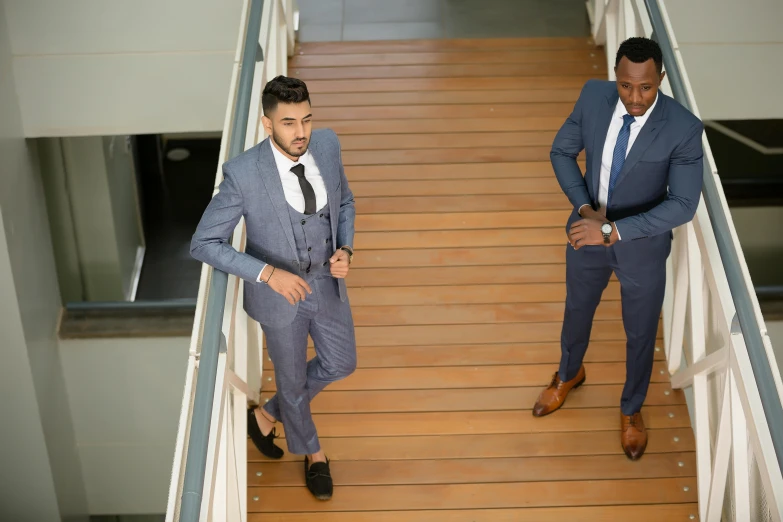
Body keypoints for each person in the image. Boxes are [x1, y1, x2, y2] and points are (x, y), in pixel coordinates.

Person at [532, 37, 704, 460]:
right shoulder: (594, 96)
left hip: (641, 248)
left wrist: (609, 231)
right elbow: (561, 151)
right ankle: (568, 375)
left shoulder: (683, 128)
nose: (635, 98)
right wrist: (585, 209)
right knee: (576, 311)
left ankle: (631, 410)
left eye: (645, 87)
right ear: (616, 77)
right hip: (585, 233)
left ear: (660, 79)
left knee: (641, 333)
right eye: (626, 86)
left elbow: (683, 205)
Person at [190, 75, 356, 499]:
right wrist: (268, 274)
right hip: (278, 297)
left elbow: (345, 201)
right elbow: (204, 243)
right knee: (292, 377)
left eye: (306, 119)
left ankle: (267, 413)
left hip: (326, 279)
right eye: (288, 123)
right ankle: (314, 454)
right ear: (267, 124)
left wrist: (346, 248)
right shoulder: (243, 174)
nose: (300, 132)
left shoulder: (328, 145)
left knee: (341, 363)